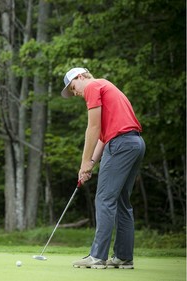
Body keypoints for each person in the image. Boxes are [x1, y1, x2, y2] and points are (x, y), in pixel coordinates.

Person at [61, 67, 146, 269]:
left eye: (73, 87)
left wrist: (83, 162)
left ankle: (97, 256)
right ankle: (124, 258)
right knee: (122, 201)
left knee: (104, 199)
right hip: (134, 143)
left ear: (80, 77)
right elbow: (102, 136)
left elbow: (92, 128)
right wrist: (89, 164)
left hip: (120, 144)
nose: (75, 93)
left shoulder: (92, 86)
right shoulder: (106, 85)